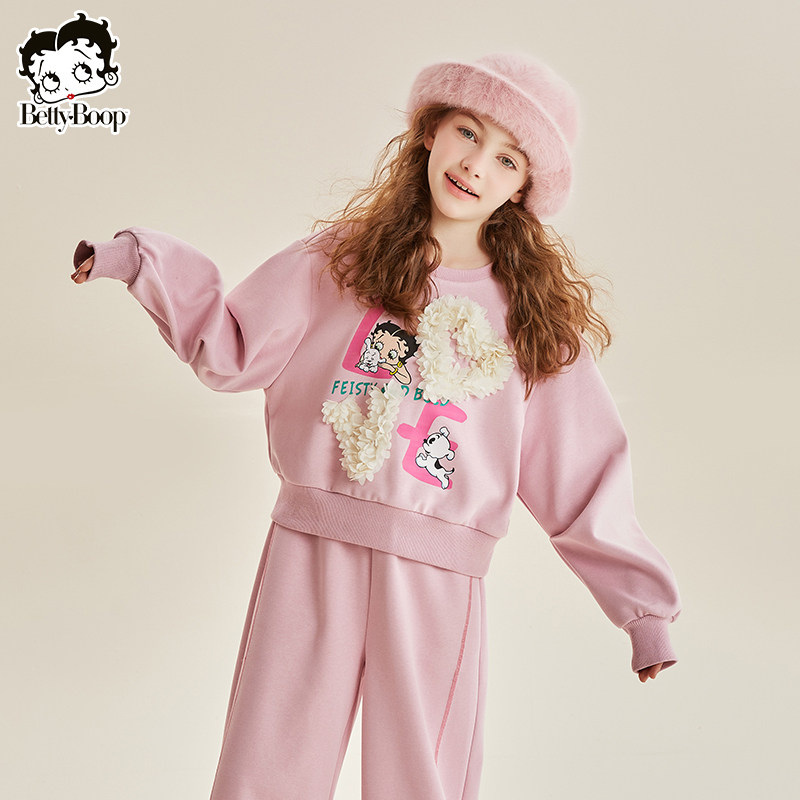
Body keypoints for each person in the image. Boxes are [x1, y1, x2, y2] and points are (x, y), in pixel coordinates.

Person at [71, 53, 681, 800]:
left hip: (437, 578)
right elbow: (231, 345)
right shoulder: (342, 262)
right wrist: (138, 262)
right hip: (310, 547)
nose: (475, 164)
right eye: (467, 132)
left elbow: (583, 472)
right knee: (268, 765)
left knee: (421, 778)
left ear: (524, 188)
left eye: (506, 157)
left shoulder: (531, 320)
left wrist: (643, 613)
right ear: (430, 132)